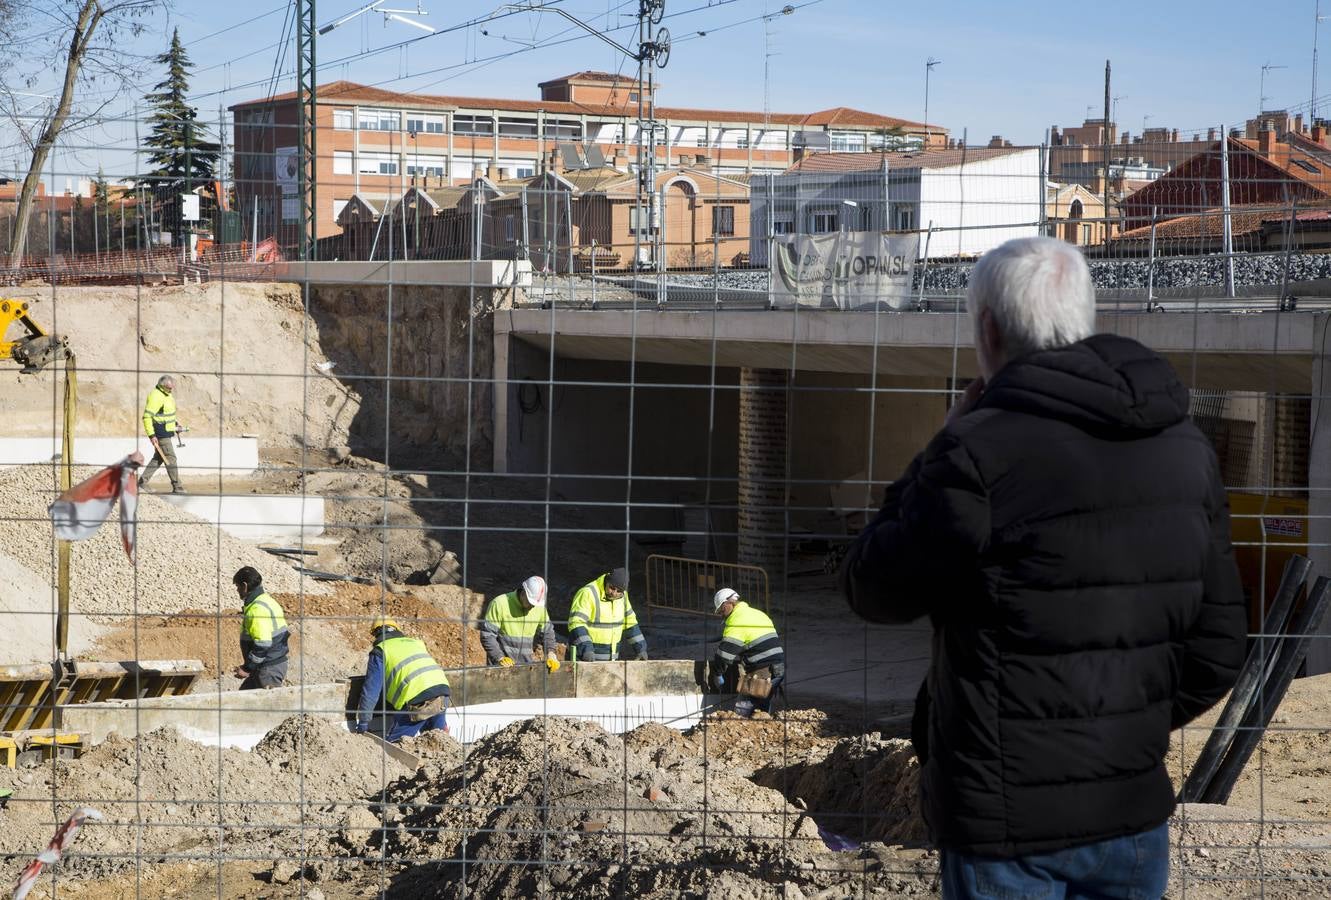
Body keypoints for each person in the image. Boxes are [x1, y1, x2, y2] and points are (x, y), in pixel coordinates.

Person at [839, 236, 1246, 899]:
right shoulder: (1184, 447)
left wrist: (935, 449)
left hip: (1006, 828)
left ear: (988, 328)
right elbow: (1219, 648)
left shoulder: (975, 453)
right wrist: (1116, 729)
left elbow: (871, 586)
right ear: (1084, 317)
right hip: (1130, 815)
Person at [353, 616, 450, 743]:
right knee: (438, 741)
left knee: (395, 749)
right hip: (442, 691)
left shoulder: (381, 651)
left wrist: (363, 722)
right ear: (397, 629)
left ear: (376, 634)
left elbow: (371, 691)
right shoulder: (416, 643)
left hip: (417, 701)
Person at [709, 587, 784, 717]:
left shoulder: (736, 621)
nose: (721, 614)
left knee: (742, 711)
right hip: (778, 668)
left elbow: (725, 655)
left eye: (721, 610)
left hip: (762, 670)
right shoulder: (757, 613)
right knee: (762, 710)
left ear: (728, 604)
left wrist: (717, 673)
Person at [480, 575, 560, 672]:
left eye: (534, 604)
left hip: (525, 669)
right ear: (523, 593)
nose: (532, 606)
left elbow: (548, 633)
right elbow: (487, 635)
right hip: (500, 669)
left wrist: (551, 653)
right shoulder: (500, 603)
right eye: (530, 602)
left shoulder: (539, 608)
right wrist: (499, 658)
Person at [568, 567, 648, 662]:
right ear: (607, 581)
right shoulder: (587, 593)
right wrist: (586, 650)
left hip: (611, 663)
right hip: (584, 659)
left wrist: (641, 648)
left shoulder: (623, 597)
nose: (614, 593)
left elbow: (630, 623)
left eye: (619, 591)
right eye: (612, 588)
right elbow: (576, 623)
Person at [232, 566, 289, 690]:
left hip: (268, 669)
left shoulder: (257, 609)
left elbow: (263, 644)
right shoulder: (267, 600)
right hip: (268, 665)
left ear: (245, 586)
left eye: (237, 586)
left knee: (267, 706)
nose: (237, 590)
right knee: (243, 700)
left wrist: (247, 668)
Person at [140, 375, 186, 493]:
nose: (171, 390)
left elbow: (166, 414)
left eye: (172, 388)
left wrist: (175, 425)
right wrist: (152, 435)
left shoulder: (166, 395)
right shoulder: (156, 396)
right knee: (171, 458)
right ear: (162, 386)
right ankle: (177, 487)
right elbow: (147, 417)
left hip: (166, 430)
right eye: (169, 388)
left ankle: (142, 482)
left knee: (158, 458)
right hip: (160, 433)